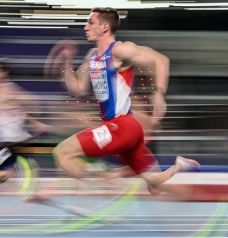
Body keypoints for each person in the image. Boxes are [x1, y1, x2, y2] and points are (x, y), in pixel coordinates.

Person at [45, 7, 200, 197]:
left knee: (62, 152)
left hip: (121, 127)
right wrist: (67, 63)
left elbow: (161, 60)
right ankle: (179, 165)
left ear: (104, 27)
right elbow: (77, 89)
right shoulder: (92, 57)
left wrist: (159, 93)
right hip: (124, 129)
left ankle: (96, 189)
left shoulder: (120, 50)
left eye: (90, 22)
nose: (86, 27)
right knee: (153, 182)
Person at [0, 59, 50, 183]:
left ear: (5, 72)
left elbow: (33, 102)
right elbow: (22, 110)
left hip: (13, 140)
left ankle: (21, 171)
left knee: (4, 172)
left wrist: (35, 121)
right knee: (4, 173)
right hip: (7, 141)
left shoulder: (10, 89)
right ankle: (16, 171)